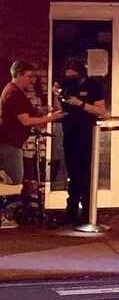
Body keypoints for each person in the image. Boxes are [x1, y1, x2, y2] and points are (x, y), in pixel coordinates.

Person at [0, 61, 64, 229]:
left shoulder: (15, 92)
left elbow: (25, 114)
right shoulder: (13, 93)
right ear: (18, 74)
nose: (32, 80)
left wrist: (43, 112)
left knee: (11, 180)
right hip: (9, 143)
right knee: (13, 181)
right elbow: (26, 120)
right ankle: (3, 217)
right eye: (29, 76)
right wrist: (51, 118)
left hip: (10, 142)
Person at [53, 59, 106, 225]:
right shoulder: (66, 86)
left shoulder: (93, 85)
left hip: (86, 134)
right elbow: (60, 110)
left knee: (86, 174)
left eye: (73, 76)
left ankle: (88, 212)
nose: (70, 79)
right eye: (67, 76)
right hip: (69, 133)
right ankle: (72, 210)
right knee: (73, 174)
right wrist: (57, 96)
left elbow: (101, 111)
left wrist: (80, 104)